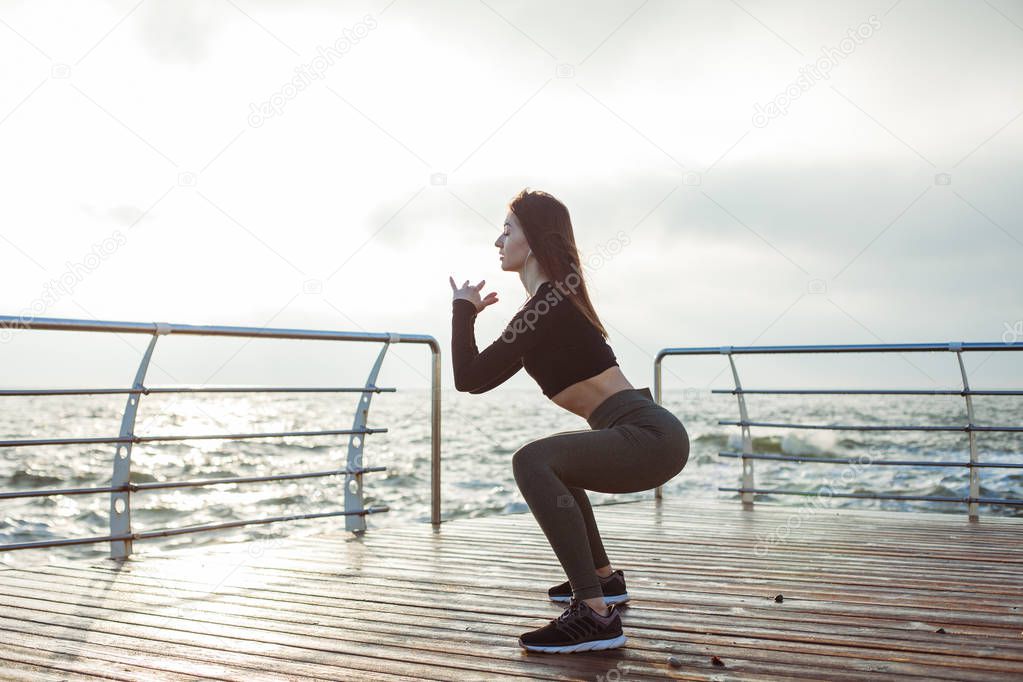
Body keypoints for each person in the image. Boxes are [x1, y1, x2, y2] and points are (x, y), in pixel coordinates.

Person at [448, 188, 690, 654]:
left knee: (533, 461)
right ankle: (604, 581)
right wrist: (468, 315)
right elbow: (474, 381)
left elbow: (465, 378)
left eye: (508, 230)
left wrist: (462, 309)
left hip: (649, 436)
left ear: (534, 240)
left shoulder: (548, 305)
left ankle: (595, 615)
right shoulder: (549, 306)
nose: (498, 241)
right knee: (557, 461)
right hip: (648, 434)